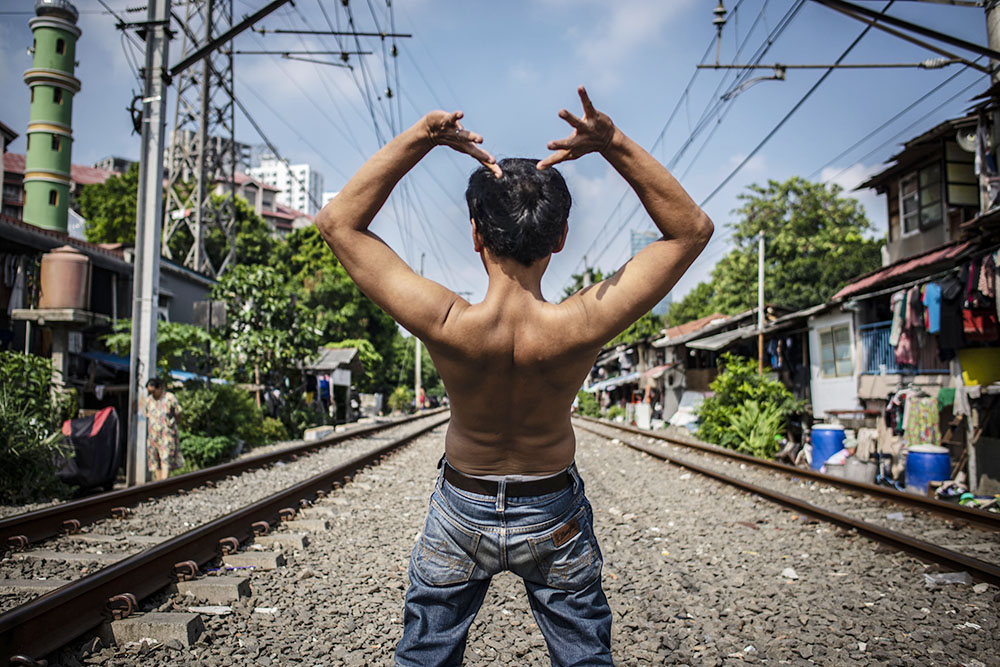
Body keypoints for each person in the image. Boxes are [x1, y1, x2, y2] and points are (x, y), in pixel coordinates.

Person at [316, 87, 713, 666]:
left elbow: (338, 223)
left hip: (461, 508)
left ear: (475, 235)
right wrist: (613, 144)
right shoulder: (581, 323)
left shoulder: (447, 322)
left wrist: (422, 140)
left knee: (423, 657)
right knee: (584, 658)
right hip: (552, 511)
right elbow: (690, 231)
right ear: (560, 237)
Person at [142, 377, 183, 481]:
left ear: (159, 388)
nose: (152, 394)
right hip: (153, 435)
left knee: (166, 458)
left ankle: (164, 482)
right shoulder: (149, 400)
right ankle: (158, 482)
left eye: (153, 391)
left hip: (166, 434)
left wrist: (174, 423)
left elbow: (178, 412)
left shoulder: (169, 398)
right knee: (155, 460)